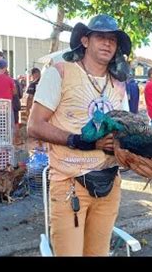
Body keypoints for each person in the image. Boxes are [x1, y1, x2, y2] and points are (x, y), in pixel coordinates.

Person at [27, 14, 133, 256]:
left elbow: (125, 127)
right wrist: (78, 141)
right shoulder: (60, 72)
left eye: (113, 40)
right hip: (70, 184)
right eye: (101, 37)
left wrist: (131, 147)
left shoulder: (118, 84)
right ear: (85, 40)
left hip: (109, 183)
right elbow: (34, 126)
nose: (108, 44)